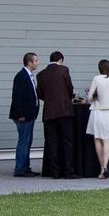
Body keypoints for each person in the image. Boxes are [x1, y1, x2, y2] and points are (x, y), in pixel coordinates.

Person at [36, 51, 76, 179]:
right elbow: (70, 88)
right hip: (65, 110)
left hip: (49, 112)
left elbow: (40, 94)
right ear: (60, 60)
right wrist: (68, 98)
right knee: (67, 142)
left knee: (52, 142)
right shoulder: (64, 70)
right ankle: (68, 171)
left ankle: (55, 172)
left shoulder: (41, 74)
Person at [86, 59, 109, 178]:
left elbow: (90, 97)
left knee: (97, 139)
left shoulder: (97, 78)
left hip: (98, 110)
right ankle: (106, 166)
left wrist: (92, 96)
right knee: (107, 140)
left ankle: (102, 167)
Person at [9, 52, 40, 177]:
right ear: (29, 62)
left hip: (30, 114)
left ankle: (25, 167)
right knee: (24, 141)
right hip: (24, 116)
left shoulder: (30, 76)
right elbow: (17, 97)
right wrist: (20, 114)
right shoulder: (21, 76)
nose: (37, 63)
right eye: (36, 61)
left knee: (27, 141)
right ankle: (20, 168)